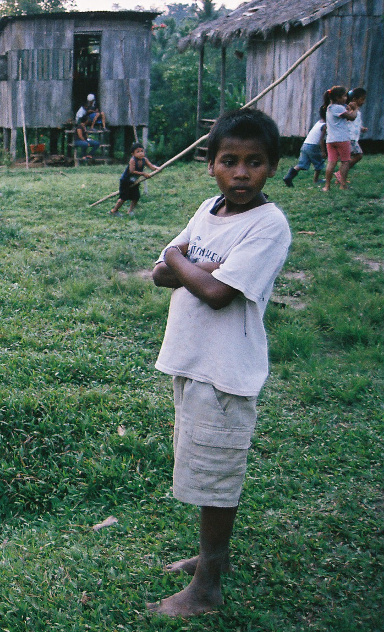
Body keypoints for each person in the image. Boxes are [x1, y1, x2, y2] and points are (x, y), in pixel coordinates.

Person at [149, 108, 291, 617]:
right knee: (201, 465)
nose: (241, 173)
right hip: (192, 361)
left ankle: (207, 586)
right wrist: (198, 266)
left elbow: (211, 292)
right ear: (210, 165)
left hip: (227, 371)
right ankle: (215, 557)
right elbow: (160, 271)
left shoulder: (270, 225)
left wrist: (189, 265)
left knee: (218, 474)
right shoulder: (209, 209)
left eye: (255, 162)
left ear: (273, 167)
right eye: (229, 161)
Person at [321, 85, 357, 192]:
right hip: (342, 139)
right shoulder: (339, 107)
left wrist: (348, 108)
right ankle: (343, 184)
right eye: (344, 96)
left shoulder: (329, 108)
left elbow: (345, 113)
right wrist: (355, 109)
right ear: (337, 98)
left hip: (330, 140)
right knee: (345, 162)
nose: (346, 98)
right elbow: (352, 117)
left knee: (331, 162)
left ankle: (327, 186)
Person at [110, 142, 159, 215]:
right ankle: (114, 211)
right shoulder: (132, 160)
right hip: (125, 181)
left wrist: (157, 168)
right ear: (133, 154)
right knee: (123, 197)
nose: (140, 153)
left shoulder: (144, 160)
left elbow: (151, 166)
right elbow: (132, 171)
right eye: (138, 152)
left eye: (142, 151)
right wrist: (143, 174)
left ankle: (130, 211)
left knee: (136, 197)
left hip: (134, 181)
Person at [282, 116, 326, 187]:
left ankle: (288, 177)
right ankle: (316, 180)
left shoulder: (318, 122)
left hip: (305, 145)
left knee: (302, 164)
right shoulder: (324, 125)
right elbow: (321, 140)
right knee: (319, 163)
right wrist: (323, 151)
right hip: (313, 146)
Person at [343, 87, 368, 182]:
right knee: (358, 155)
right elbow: (348, 120)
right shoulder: (349, 109)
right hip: (350, 137)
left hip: (353, 138)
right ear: (354, 99)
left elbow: (355, 123)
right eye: (362, 99)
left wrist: (361, 128)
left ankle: (341, 177)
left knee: (346, 160)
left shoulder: (357, 110)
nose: (363, 101)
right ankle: (340, 175)